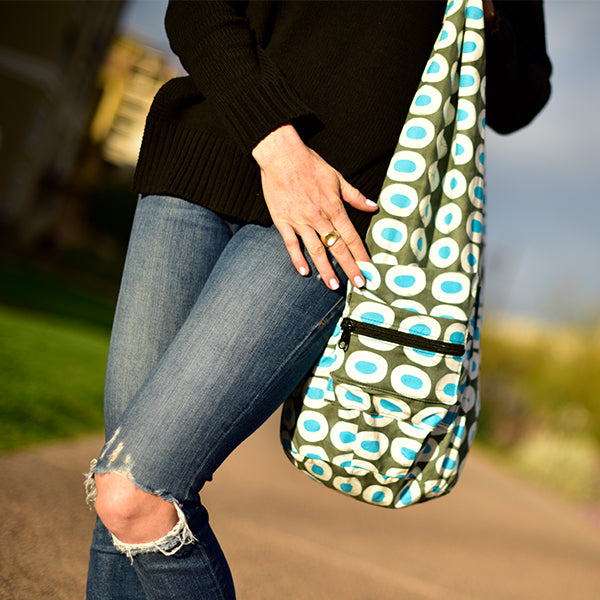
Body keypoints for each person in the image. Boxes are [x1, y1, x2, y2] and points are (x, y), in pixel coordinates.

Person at [85, 1, 551, 598]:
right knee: (116, 490)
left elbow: (520, 99)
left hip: (337, 214)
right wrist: (276, 145)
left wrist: (491, 16)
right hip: (200, 167)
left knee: (136, 493)